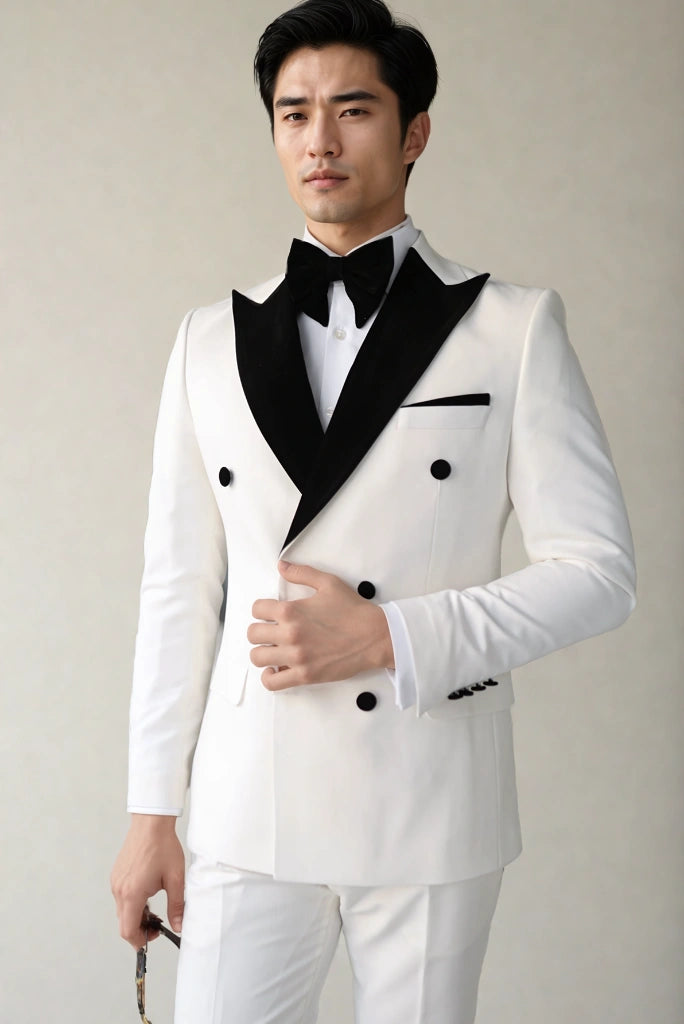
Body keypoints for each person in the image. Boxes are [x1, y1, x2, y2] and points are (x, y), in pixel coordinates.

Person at [111, 1, 636, 1021]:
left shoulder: (511, 329)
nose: (320, 139)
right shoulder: (207, 341)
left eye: (353, 110)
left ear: (414, 132)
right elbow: (178, 592)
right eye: (294, 113)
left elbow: (599, 573)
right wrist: (150, 810)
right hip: (246, 806)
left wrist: (392, 636)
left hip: (429, 799)